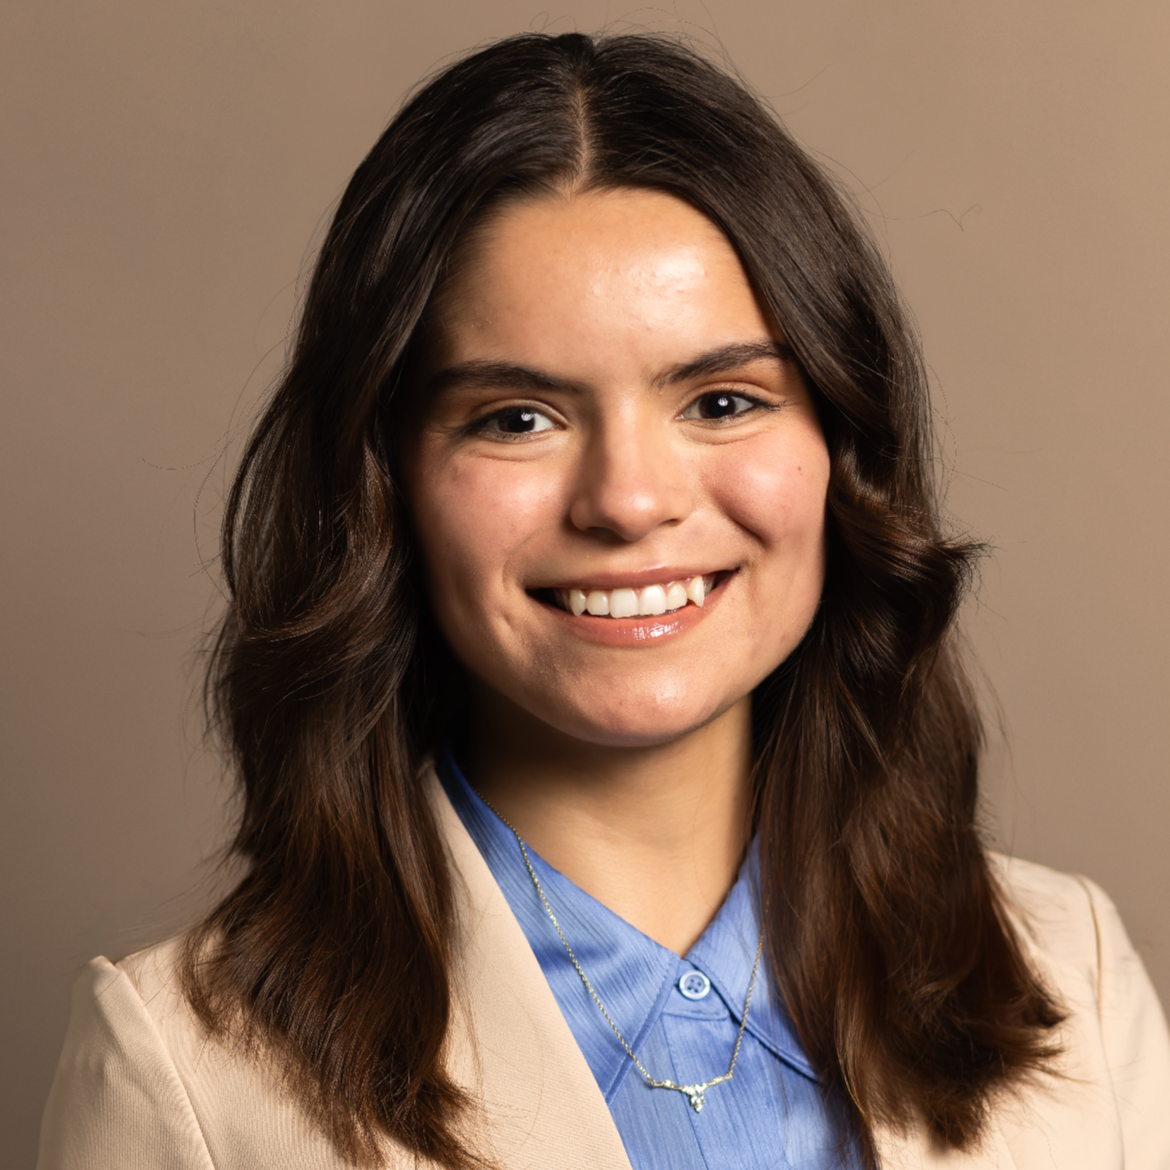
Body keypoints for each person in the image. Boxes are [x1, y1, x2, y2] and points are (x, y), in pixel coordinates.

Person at [36, 30, 1170, 1170]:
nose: (628, 502)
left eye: (722, 402)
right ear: (382, 486)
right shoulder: (185, 1075)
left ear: (844, 449)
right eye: (517, 418)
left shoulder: (1071, 975)